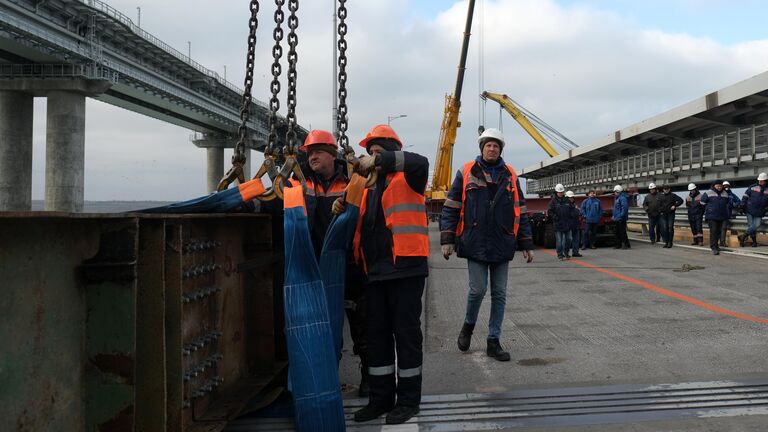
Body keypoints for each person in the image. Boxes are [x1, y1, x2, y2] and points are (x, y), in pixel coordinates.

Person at [342, 124, 429, 425]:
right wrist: (340, 206)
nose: (371, 157)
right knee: (377, 339)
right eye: (370, 152)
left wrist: (381, 161)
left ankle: (408, 401)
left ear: (393, 150)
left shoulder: (411, 175)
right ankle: (380, 400)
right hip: (374, 274)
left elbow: (420, 162)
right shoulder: (366, 186)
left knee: (406, 337)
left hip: (405, 271)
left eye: (378, 151)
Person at [441, 128, 535, 364]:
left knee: (500, 294)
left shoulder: (510, 174)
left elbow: (520, 210)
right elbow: (451, 206)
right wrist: (447, 239)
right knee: (478, 290)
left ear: (501, 149)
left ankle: (493, 341)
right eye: (488, 145)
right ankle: (468, 327)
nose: (492, 149)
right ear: (482, 148)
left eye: (496, 145)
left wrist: (526, 243)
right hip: (475, 241)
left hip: (502, 241)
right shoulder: (466, 171)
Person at [289, 130, 370, 396]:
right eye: (309, 152)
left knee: (360, 323)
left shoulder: (352, 180)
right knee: (319, 326)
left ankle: (369, 375)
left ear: (333, 154)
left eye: (318, 151)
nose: (312, 156)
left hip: (348, 264)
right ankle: (325, 380)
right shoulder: (300, 182)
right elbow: (278, 204)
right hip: (314, 265)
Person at [699, 179, 732, 255]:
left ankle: (716, 246)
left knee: (719, 232)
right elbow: (702, 203)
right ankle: (713, 247)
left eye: (720, 186)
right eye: (717, 186)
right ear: (714, 186)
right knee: (713, 231)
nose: (719, 187)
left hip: (722, 216)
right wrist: (708, 210)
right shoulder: (708, 193)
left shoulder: (725, 193)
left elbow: (727, 203)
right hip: (711, 216)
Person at [738, 172, 768, 247]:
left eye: (762, 180)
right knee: (751, 225)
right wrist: (742, 207)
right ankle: (754, 242)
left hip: (760, 211)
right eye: (759, 180)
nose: (760, 182)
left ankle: (743, 236)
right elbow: (745, 197)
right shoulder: (752, 187)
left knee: (757, 225)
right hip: (749, 209)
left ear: (766, 180)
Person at [548, 183, 573, 260]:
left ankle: (566, 252)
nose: (561, 193)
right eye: (559, 192)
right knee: (559, 241)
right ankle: (560, 254)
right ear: (556, 192)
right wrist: (555, 218)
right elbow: (550, 212)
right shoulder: (553, 202)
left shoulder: (567, 200)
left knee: (569, 239)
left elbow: (571, 209)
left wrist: (571, 218)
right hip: (558, 224)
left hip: (567, 224)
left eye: (562, 192)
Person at [721, 181, 741, 247]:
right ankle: (722, 242)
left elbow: (738, 201)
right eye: (725, 186)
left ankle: (735, 242)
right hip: (721, 214)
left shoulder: (732, 195)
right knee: (723, 228)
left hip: (730, 214)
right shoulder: (720, 194)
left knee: (733, 228)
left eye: (727, 186)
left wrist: (734, 205)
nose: (726, 187)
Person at [612, 185, 630, 249]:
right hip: (617, 218)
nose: (614, 193)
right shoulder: (617, 198)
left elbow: (624, 208)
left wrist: (621, 216)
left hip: (621, 218)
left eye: (615, 192)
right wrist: (614, 216)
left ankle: (626, 244)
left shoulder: (622, 198)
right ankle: (618, 245)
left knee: (622, 232)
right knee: (617, 232)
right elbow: (616, 208)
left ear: (618, 191)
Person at [566, 191, 583, 257]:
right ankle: (566, 252)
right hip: (568, 225)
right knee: (568, 239)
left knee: (576, 239)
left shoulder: (574, 205)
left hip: (575, 224)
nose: (571, 198)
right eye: (570, 197)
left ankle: (575, 252)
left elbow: (577, 214)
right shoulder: (565, 205)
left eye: (572, 197)